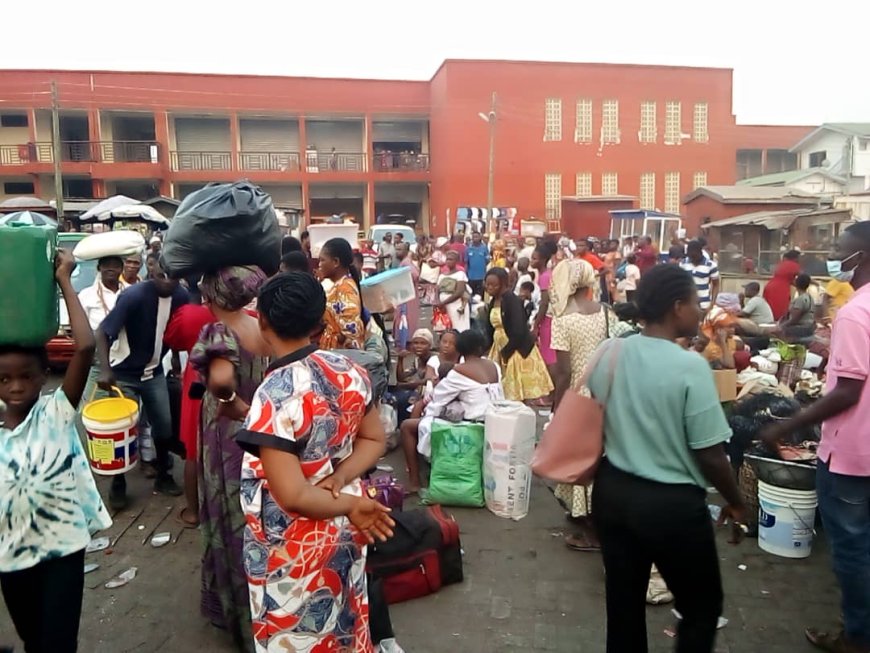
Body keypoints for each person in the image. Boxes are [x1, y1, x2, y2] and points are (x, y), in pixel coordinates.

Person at [589, 264, 746, 653]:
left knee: (623, 606)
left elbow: (595, 404)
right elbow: (710, 454)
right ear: (677, 307)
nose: (699, 312)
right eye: (696, 303)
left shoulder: (611, 350)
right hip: (671, 506)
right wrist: (736, 500)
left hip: (612, 493)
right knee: (701, 607)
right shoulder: (689, 366)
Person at [237, 271, 394, 652]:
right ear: (319, 321)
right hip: (345, 526)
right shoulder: (350, 371)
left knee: (295, 633)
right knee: (344, 620)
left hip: (292, 543)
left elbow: (291, 495)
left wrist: (351, 501)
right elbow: (375, 439)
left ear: (263, 321)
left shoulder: (275, 394)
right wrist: (343, 479)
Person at [761, 222, 870, 653]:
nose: (832, 260)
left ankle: (857, 637)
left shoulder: (855, 313)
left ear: (859, 258)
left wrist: (787, 424)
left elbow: (848, 391)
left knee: (852, 550)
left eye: (840, 251)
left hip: (852, 453)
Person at [0, 249, 112, 653]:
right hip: (10, 554)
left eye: (25, 377)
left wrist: (64, 279)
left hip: (62, 550)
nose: (15, 387)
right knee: (32, 640)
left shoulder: (56, 411)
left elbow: (84, 348)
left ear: (43, 376)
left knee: (59, 643)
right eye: (5, 379)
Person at [187, 267, 270, 651]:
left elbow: (221, 380)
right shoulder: (257, 325)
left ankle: (238, 613)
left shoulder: (218, 331)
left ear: (216, 296)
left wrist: (228, 402)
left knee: (229, 519)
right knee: (252, 520)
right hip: (256, 433)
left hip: (227, 436)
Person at [95, 264, 189, 509]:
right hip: (124, 373)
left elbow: (177, 329)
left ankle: (163, 475)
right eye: (162, 276)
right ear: (152, 274)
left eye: (173, 277)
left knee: (164, 426)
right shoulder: (134, 296)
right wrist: (106, 369)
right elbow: (102, 332)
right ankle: (118, 482)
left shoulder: (181, 296)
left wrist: (177, 360)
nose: (167, 282)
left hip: (154, 371)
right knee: (123, 430)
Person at [549, 259, 617, 551]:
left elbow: (563, 371)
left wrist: (557, 405)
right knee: (599, 456)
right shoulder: (606, 313)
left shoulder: (563, 320)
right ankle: (591, 515)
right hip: (607, 391)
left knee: (580, 459)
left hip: (578, 394)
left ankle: (591, 528)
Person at [400, 329, 504, 493]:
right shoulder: (494, 366)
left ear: (460, 348)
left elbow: (438, 399)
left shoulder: (459, 371)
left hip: (473, 424)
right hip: (495, 421)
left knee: (407, 426)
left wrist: (425, 410)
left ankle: (414, 482)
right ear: (481, 347)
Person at [483, 267, 553, 402]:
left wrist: (507, 352)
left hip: (515, 349)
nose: (489, 288)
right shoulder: (493, 301)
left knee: (516, 391)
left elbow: (519, 330)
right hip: (500, 346)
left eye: (494, 285)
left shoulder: (512, 300)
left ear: (503, 284)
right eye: (487, 284)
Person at [318, 237, 365, 350]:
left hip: (340, 354)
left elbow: (351, 329)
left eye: (322, 260)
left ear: (336, 262)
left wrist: (337, 338)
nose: (319, 265)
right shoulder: (336, 285)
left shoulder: (346, 289)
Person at [394, 328, 438, 423]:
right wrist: (400, 360)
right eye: (416, 343)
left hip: (432, 394)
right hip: (420, 392)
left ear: (430, 346)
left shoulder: (434, 359)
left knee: (404, 399)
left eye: (423, 343)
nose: (418, 346)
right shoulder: (417, 360)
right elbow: (401, 377)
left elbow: (426, 381)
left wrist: (404, 385)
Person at [531, 241, 558, 384]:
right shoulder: (547, 275)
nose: (532, 261)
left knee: (548, 356)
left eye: (535, 258)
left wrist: (536, 325)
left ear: (543, 260)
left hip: (548, 319)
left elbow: (544, 303)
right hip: (549, 317)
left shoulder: (544, 277)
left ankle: (550, 392)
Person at [393, 242, 420, 350]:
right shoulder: (403, 262)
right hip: (403, 296)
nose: (397, 252)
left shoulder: (406, 263)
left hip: (407, 298)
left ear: (406, 251)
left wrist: (404, 282)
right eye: (396, 249)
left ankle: (405, 344)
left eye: (400, 249)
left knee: (404, 319)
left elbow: (415, 275)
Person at [680, 240, 720, 312]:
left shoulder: (711, 265)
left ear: (700, 252)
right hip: (687, 304)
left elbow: (716, 285)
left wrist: (712, 304)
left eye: (694, 256)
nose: (692, 259)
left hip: (704, 305)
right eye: (690, 256)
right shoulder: (683, 263)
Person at [436, 250, 470, 332]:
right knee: (445, 327)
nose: (448, 261)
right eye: (447, 259)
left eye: (451, 259)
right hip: (443, 306)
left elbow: (459, 292)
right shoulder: (441, 276)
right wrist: (439, 304)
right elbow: (437, 291)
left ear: (457, 261)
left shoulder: (460, 274)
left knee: (458, 328)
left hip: (456, 305)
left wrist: (443, 303)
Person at [764, 250, 802, 321]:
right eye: (798, 258)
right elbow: (803, 278)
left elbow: (788, 280)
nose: (799, 260)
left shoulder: (782, 264)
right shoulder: (794, 265)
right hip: (780, 289)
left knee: (770, 308)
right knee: (781, 309)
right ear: (795, 258)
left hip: (770, 286)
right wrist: (815, 283)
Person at [778, 273, 816, 342]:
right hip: (808, 327)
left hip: (801, 329)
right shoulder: (810, 297)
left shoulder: (800, 299)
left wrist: (780, 326)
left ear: (796, 283)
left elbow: (794, 319)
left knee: (775, 333)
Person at [466, 231, 490, 297]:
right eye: (473, 237)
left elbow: (488, 260)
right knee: (471, 295)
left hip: (481, 276)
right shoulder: (468, 248)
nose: (475, 238)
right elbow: (466, 262)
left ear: (480, 238)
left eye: (476, 237)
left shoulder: (484, 248)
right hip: (471, 277)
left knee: (480, 296)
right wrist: (466, 274)